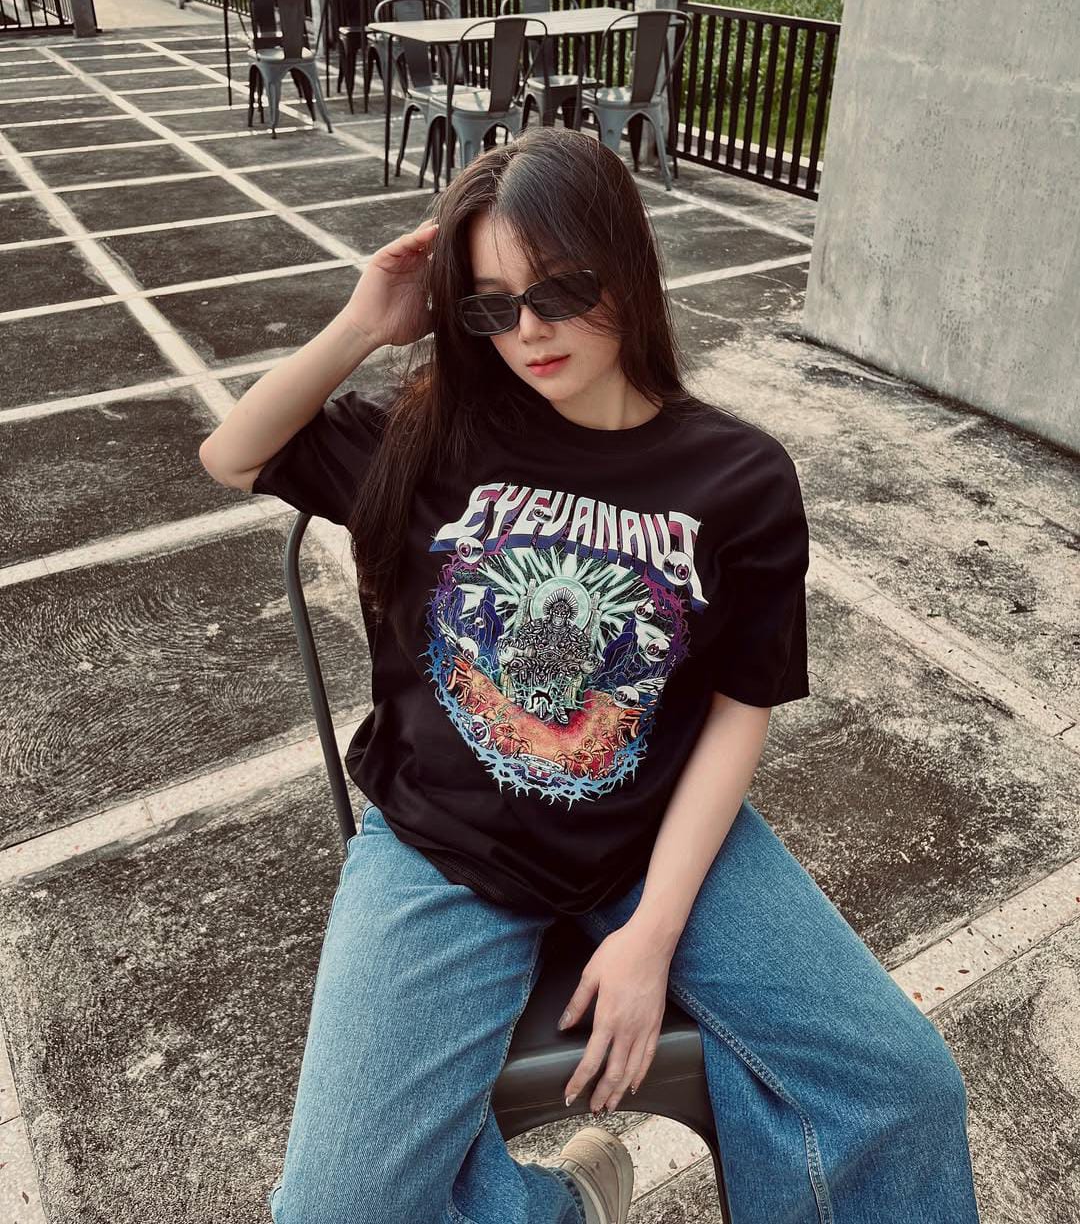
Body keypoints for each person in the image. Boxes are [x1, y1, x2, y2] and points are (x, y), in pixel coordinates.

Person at [198, 126, 981, 1224]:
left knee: (903, 1088)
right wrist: (367, 320)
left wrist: (652, 933)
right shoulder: (433, 440)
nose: (529, 330)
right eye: (490, 306)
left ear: (628, 264)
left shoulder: (739, 477)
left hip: (652, 836)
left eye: (560, 290)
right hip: (443, 847)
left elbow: (739, 706)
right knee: (334, 1212)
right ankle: (566, 1203)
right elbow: (231, 453)